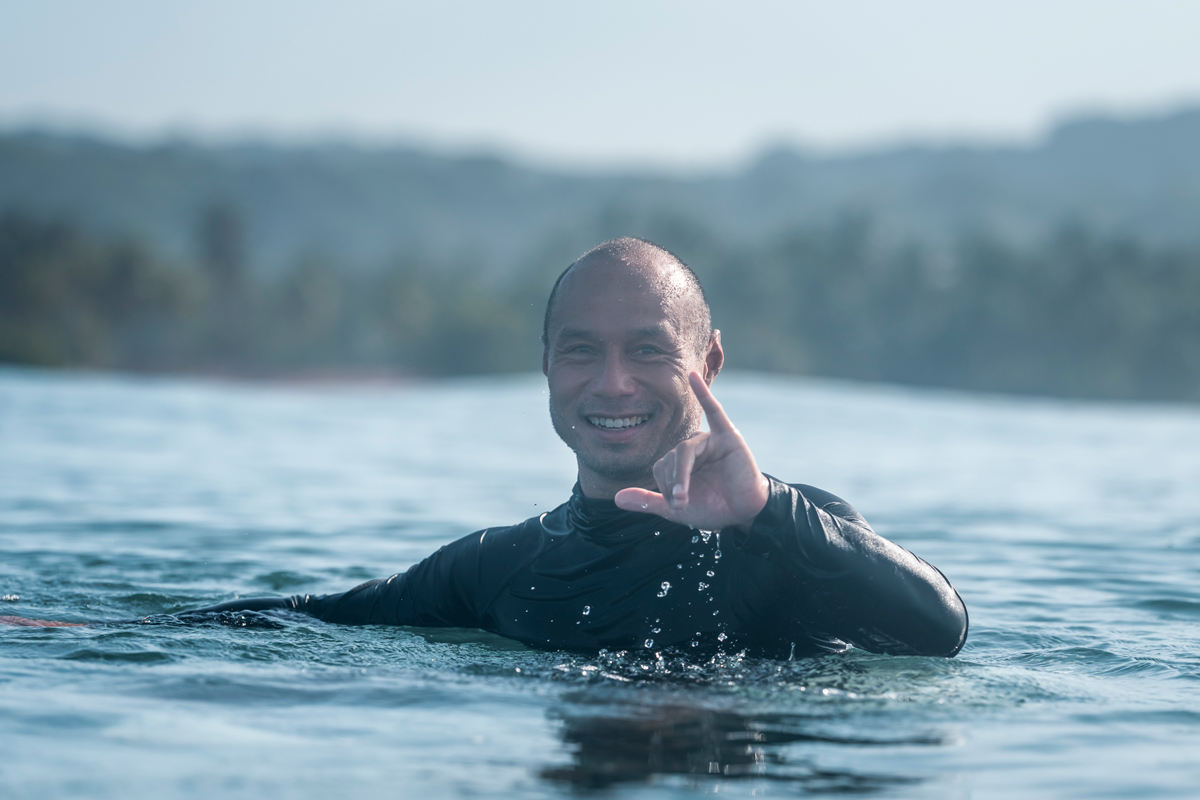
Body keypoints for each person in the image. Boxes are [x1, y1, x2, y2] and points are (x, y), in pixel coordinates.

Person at [2, 238, 967, 658]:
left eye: (647, 351)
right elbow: (318, 621)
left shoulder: (790, 534)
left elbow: (941, 631)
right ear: (546, 365)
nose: (612, 384)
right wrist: (79, 635)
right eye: (581, 352)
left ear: (708, 362)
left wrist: (762, 513)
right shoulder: (501, 566)